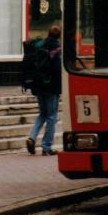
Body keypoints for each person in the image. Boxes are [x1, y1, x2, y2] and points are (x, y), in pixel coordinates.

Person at [27, 25, 62, 156]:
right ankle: (47, 147)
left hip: (39, 85)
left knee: (42, 114)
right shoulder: (56, 48)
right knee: (52, 116)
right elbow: (57, 68)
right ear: (59, 36)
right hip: (51, 87)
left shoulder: (40, 45)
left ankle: (32, 137)